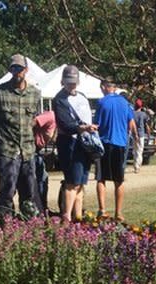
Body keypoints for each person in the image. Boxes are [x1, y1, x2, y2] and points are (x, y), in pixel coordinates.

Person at [0, 53, 42, 215]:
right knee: (6, 193)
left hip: (28, 152)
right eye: (13, 68)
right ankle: (5, 226)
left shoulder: (35, 93)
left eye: (20, 69)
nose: (17, 72)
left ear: (26, 70)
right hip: (8, 151)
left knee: (29, 194)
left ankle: (27, 228)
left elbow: (35, 118)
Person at [53, 65, 97, 223]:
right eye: (68, 82)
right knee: (72, 182)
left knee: (81, 182)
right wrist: (82, 127)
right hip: (69, 143)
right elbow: (65, 123)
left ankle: (78, 217)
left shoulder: (82, 96)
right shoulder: (59, 99)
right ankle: (67, 217)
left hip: (84, 143)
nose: (72, 85)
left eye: (74, 82)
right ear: (62, 81)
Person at [93, 78, 136, 221]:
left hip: (104, 143)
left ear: (104, 87)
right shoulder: (125, 103)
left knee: (101, 178)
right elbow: (131, 123)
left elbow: (96, 124)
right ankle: (118, 212)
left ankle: (102, 210)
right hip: (120, 143)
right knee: (119, 179)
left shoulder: (101, 102)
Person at [33, 107, 57, 213]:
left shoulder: (61, 120)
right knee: (39, 179)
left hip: (39, 150)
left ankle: (42, 207)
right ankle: (38, 208)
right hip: (31, 148)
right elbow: (33, 122)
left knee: (42, 179)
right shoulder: (51, 115)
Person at [133, 99, 149, 172]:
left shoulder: (132, 113)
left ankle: (136, 164)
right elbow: (146, 124)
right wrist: (148, 133)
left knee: (135, 150)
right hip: (141, 134)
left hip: (133, 134)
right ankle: (137, 166)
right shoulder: (143, 114)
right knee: (140, 150)